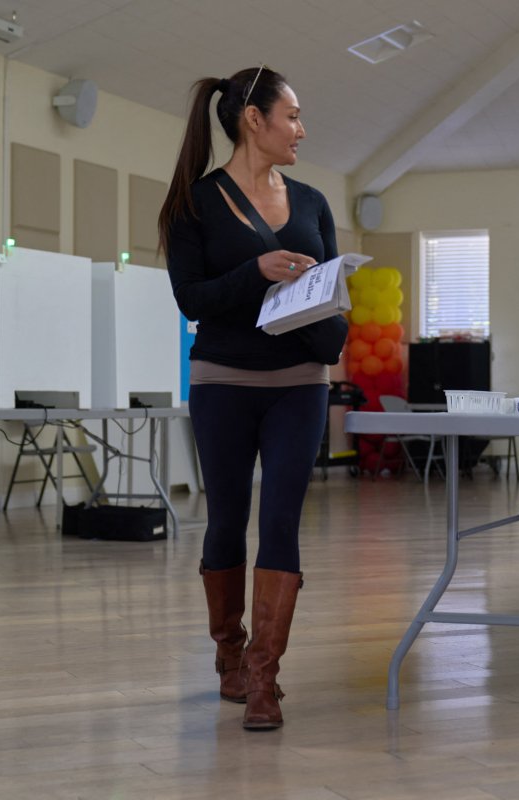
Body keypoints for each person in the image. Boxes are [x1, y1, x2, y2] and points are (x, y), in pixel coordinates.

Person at [159, 66, 346, 730]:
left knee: (283, 522)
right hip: (223, 382)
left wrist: (332, 317)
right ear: (253, 120)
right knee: (226, 520)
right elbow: (193, 300)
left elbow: (332, 303)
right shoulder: (193, 203)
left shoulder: (315, 202)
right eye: (291, 115)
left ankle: (265, 679)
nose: (300, 128)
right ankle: (229, 658)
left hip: (300, 384)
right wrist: (256, 272)